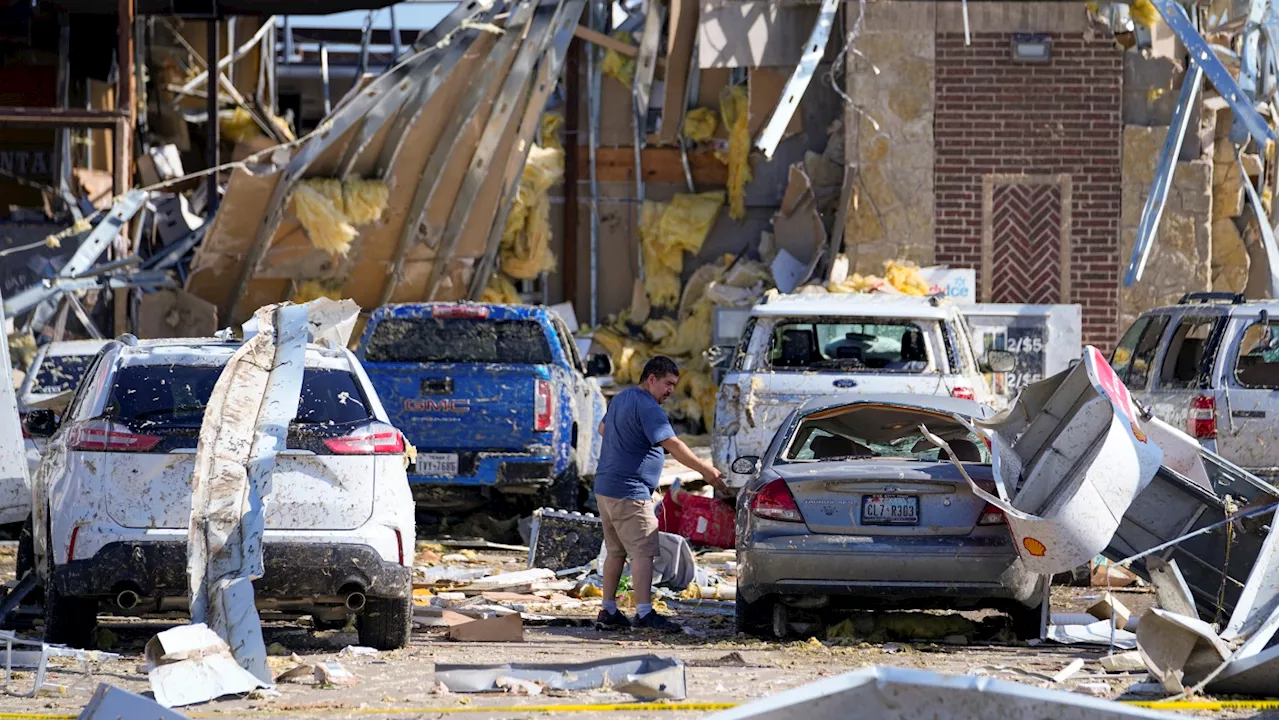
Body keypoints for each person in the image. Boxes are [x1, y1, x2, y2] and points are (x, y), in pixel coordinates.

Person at [593, 356, 726, 632]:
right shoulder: (648, 406)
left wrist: (628, 443)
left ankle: (608, 610)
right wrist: (707, 471)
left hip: (606, 488)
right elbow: (673, 444)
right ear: (651, 378)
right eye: (668, 384)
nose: (670, 391)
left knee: (616, 552)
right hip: (630, 491)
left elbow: (603, 429)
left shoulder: (621, 398)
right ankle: (643, 613)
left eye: (674, 386)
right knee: (643, 551)